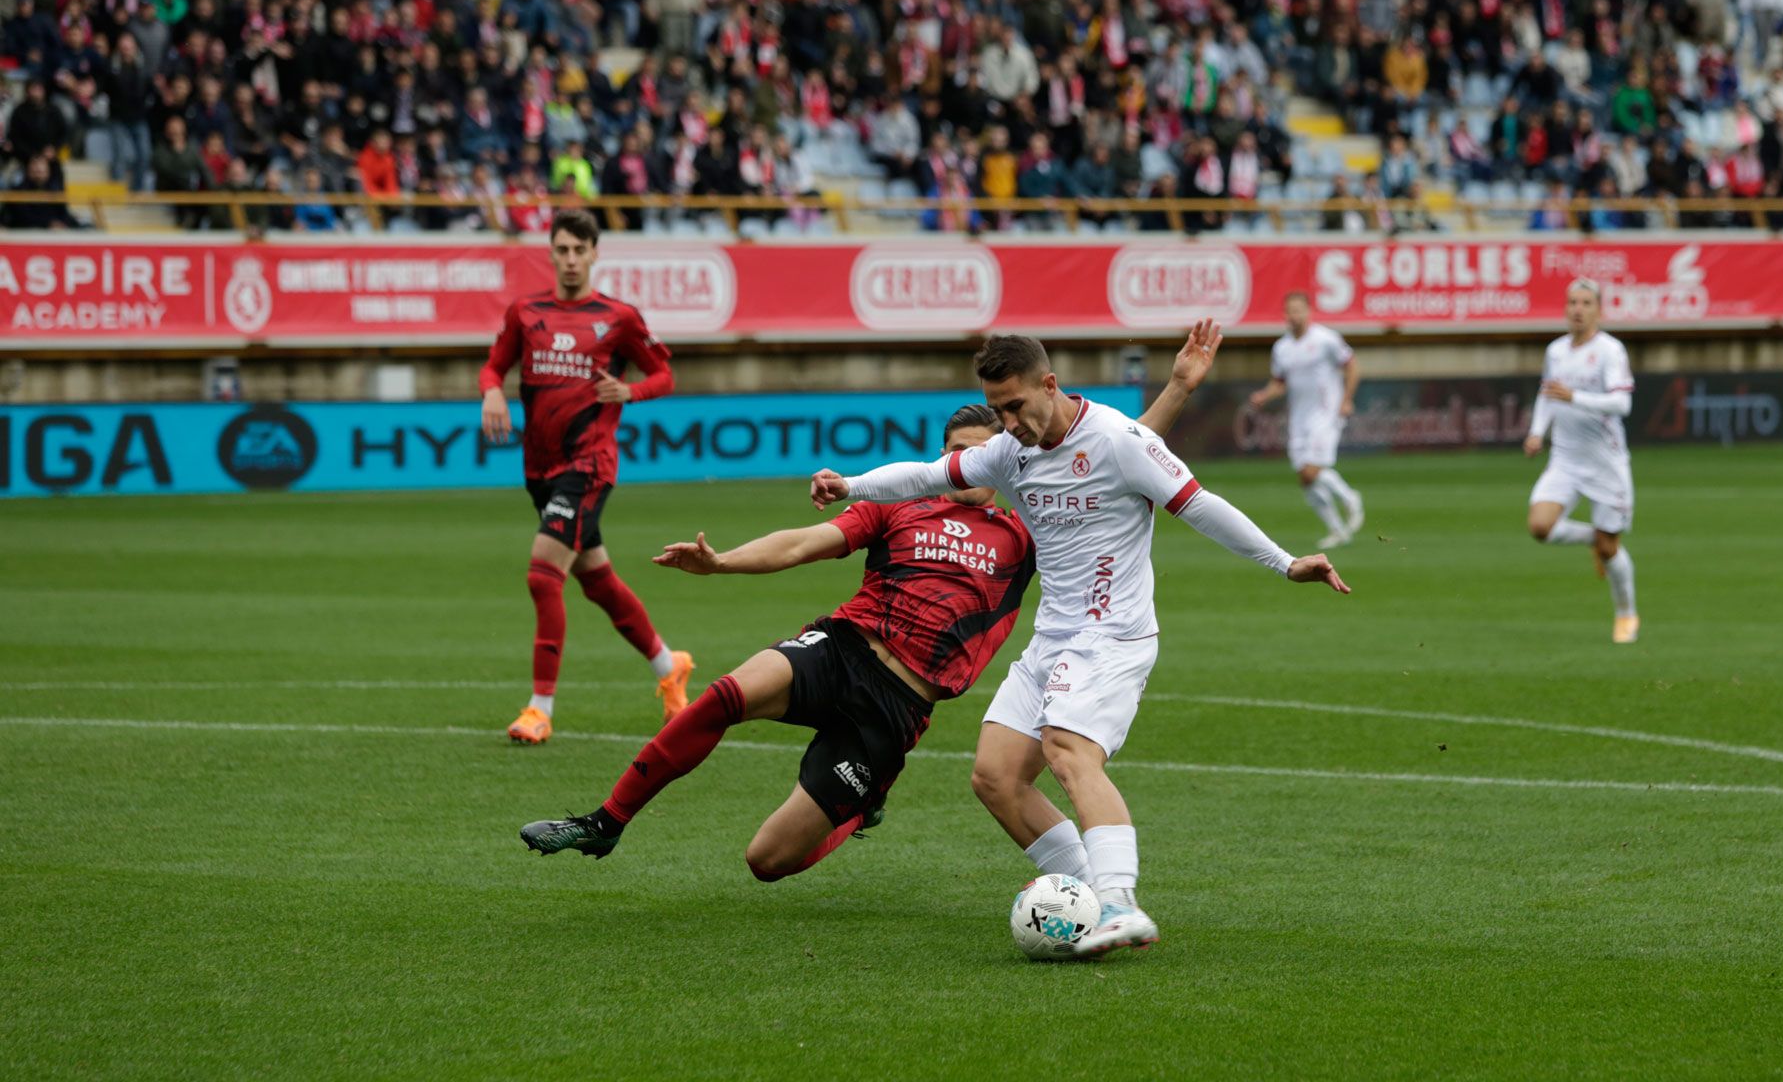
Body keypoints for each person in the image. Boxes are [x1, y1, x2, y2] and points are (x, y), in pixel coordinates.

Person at [519, 325, 1226, 881]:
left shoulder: (1030, 529)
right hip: (844, 648)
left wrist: (1178, 389)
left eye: (984, 447)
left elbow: (1113, 458)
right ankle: (605, 822)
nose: (969, 464)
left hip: (899, 707)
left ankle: (858, 810)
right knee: (726, 695)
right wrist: (722, 562)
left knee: (768, 861)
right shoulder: (903, 509)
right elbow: (802, 542)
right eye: (956, 451)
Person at [809, 326, 1350, 956]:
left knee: (1067, 749)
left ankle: (1121, 904)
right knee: (996, 776)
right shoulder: (1010, 451)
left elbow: (1201, 505)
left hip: (1113, 636)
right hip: (1054, 639)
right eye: (999, 409)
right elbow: (925, 475)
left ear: (1050, 385)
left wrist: (1284, 563)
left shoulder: (1121, 440)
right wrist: (850, 484)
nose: (1009, 422)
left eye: (1016, 406)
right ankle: (1091, 892)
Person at [478, 208, 696, 744]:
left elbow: (664, 374)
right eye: (562, 250)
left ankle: (539, 708)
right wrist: (489, 390)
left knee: (541, 575)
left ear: (595, 253)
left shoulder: (618, 317)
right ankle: (670, 666)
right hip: (539, 468)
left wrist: (631, 392)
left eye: (580, 250)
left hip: (589, 464)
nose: (571, 259)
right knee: (597, 583)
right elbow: (493, 365)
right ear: (550, 253)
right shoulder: (525, 312)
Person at [1524, 280, 1641, 643]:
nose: (1578, 308)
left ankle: (1626, 614)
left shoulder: (1610, 351)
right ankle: (1592, 537)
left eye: (1586, 303)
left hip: (1605, 461)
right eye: (1572, 302)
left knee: (1610, 549)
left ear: (1598, 310)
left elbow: (1622, 405)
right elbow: (1548, 394)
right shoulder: (1556, 351)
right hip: (1565, 458)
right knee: (1540, 527)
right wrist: (1536, 431)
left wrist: (1576, 397)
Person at [1249, 293, 1364, 548]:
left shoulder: (1326, 339)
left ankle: (1350, 498)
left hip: (1326, 413)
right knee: (1305, 477)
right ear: (1285, 315)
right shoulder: (1282, 348)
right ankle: (1337, 529)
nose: (1294, 315)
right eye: (1290, 311)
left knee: (1312, 470)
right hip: (1299, 418)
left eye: (1299, 310)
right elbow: (1280, 383)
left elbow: (1352, 365)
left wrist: (1346, 399)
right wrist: (1264, 395)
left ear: (1309, 311)